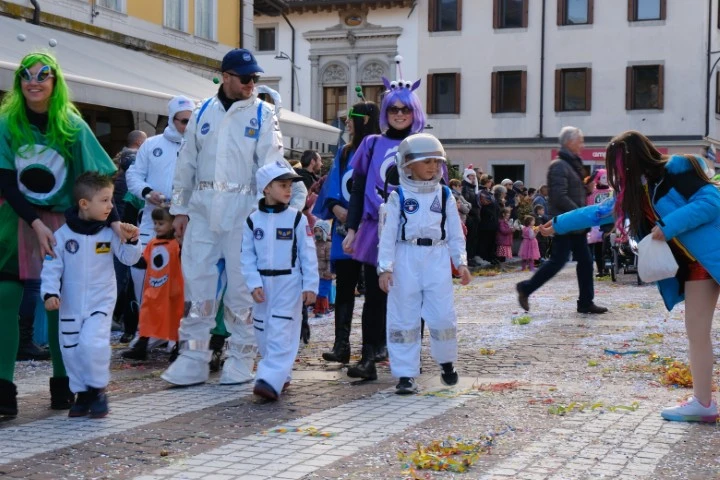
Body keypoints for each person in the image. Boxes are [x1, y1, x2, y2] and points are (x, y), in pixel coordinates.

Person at [540, 130, 720, 423]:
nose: (617, 174)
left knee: (697, 333)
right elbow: (600, 212)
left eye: (619, 165)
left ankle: (703, 403)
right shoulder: (635, 190)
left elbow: (711, 202)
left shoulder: (678, 169)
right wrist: (559, 223)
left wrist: (668, 226)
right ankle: (703, 402)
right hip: (696, 266)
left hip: (710, 255)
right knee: (696, 333)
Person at [0, 52, 133, 417]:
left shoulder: (72, 125)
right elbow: (5, 181)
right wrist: (35, 222)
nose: (34, 82)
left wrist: (113, 221)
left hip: (65, 222)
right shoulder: (7, 123)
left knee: (63, 303)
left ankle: (65, 385)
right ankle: (3, 390)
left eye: (43, 75)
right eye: (26, 75)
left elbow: (97, 179)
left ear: (55, 81)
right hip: (17, 219)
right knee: (5, 295)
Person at [163, 48, 306, 387]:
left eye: (254, 78)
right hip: (202, 211)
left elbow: (270, 163)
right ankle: (193, 358)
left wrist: (269, 213)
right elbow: (186, 162)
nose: (251, 83)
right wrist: (180, 210)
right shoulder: (201, 111)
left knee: (242, 290)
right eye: (245, 78)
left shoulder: (263, 113)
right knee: (198, 287)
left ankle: (240, 358)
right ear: (226, 77)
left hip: (245, 212)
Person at [341, 73, 426, 381]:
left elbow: (436, 193)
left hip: (413, 233)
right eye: (393, 109)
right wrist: (352, 229)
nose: (399, 114)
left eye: (405, 109)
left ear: (414, 112)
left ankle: (409, 356)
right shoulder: (371, 143)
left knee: (412, 296)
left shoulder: (423, 145)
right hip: (375, 230)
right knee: (375, 298)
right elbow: (358, 187)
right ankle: (368, 358)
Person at [41, 172, 141, 418]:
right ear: (84, 203)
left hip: (101, 302)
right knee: (71, 349)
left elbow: (129, 259)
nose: (111, 207)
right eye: (105, 200)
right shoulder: (62, 236)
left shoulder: (110, 233)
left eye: (111, 200)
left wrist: (132, 240)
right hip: (70, 305)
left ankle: (97, 390)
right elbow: (52, 267)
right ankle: (82, 393)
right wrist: (49, 293)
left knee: (93, 344)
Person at [377, 134, 471, 394]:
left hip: (437, 257)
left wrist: (460, 262)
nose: (433, 167)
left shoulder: (444, 194)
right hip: (405, 256)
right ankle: (405, 374)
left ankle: (446, 361)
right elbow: (388, 235)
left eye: (437, 162)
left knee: (442, 314)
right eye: (426, 161)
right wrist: (385, 267)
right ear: (408, 164)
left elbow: (455, 232)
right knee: (403, 317)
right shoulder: (398, 196)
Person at [241, 162, 318, 401]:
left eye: (290, 186)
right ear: (266, 188)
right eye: (282, 185)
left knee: (282, 330)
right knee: (263, 331)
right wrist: (253, 283)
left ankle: (268, 380)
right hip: (263, 284)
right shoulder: (252, 220)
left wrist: (310, 285)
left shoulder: (297, 219)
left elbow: (308, 254)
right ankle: (281, 375)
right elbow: (247, 256)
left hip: (288, 282)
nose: (288, 190)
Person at [315, 101, 381, 364]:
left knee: (375, 290)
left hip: (374, 228)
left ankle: (373, 347)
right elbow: (332, 187)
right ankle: (341, 345)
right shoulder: (344, 153)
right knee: (344, 287)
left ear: (364, 120)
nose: (346, 123)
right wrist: (336, 207)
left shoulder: (380, 149)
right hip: (345, 229)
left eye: (350, 117)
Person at [516, 126, 607, 314]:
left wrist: (587, 190)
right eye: (580, 141)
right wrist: (578, 214)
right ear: (569, 142)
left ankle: (585, 302)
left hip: (575, 223)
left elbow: (572, 192)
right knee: (558, 261)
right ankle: (526, 288)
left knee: (585, 261)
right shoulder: (559, 165)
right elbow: (559, 196)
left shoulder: (572, 164)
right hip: (566, 223)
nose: (582, 145)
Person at [126, 96, 193, 331]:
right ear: (172, 119)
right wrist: (147, 192)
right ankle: (145, 328)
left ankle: (176, 329)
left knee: (182, 276)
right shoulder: (151, 144)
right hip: (152, 220)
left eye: (192, 121)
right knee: (142, 269)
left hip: (188, 223)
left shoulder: (201, 146)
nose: (188, 126)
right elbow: (134, 175)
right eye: (184, 121)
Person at [122, 207, 184, 361]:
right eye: (155, 223)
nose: (156, 227)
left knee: (175, 319)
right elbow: (145, 260)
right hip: (153, 290)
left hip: (171, 291)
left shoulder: (176, 245)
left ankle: (178, 348)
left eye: (161, 223)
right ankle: (141, 347)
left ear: (172, 224)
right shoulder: (153, 243)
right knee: (147, 317)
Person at [112, 130, 147, 343]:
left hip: (128, 236)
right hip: (129, 236)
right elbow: (128, 215)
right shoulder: (133, 189)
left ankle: (130, 327)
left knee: (130, 283)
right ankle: (131, 327)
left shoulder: (121, 179)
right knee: (130, 283)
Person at [584, 169, 613, 277]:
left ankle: (608, 267)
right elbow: (588, 205)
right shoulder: (592, 192)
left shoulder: (611, 191)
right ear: (598, 179)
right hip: (595, 224)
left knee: (608, 246)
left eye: (607, 177)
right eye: (603, 177)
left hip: (609, 223)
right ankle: (601, 269)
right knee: (597, 247)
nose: (606, 180)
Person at [312, 220, 333, 317]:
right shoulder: (314, 244)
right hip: (316, 273)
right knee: (317, 291)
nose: (317, 233)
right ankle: (318, 308)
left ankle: (323, 309)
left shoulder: (328, 244)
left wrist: (328, 272)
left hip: (325, 273)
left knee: (323, 291)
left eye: (320, 231)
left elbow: (330, 260)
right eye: (315, 231)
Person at [461, 168, 481, 265]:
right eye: (471, 176)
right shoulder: (465, 187)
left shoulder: (474, 187)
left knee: (474, 238)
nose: (473, 178)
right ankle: (468, 258)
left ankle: (472, 257)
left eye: (474, 176)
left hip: (475, 215)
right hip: (470, 216)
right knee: (469, 238)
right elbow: (467, 202)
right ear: (467, 176)